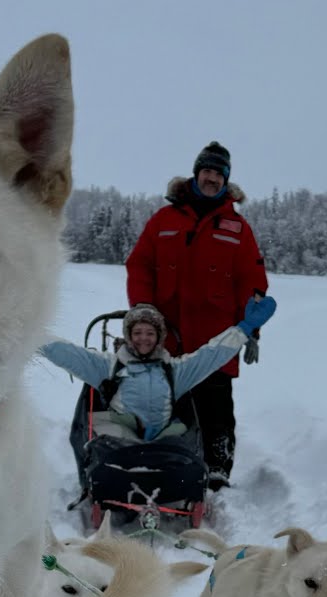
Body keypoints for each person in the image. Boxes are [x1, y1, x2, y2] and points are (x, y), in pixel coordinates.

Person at [125, 141, 269, 489]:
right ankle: (162, 460)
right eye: (207, 171)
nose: (211, 178)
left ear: (226, 180)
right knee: (164, 402)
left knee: (216, 408)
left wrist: (252, 329)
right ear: (196, 173)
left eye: (219, 173)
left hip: (216, 338)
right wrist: (143, 309)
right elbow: (140, 265)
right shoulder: (164, 220)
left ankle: (216, 471)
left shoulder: (237, 227)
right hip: (168, 335)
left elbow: (253, 281)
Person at [37, 298, 276, 451]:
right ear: (128, 336)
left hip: (163, 436)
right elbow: (69, 354)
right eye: (137, 332)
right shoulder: (108, 366)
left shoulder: (174, 369)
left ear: (159, 336)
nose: (143, 338)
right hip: (122, 435)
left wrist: (243, 330)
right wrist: (34, 337)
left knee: (183, 445)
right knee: (104, 442)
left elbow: (211, 354)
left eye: (150, 333)